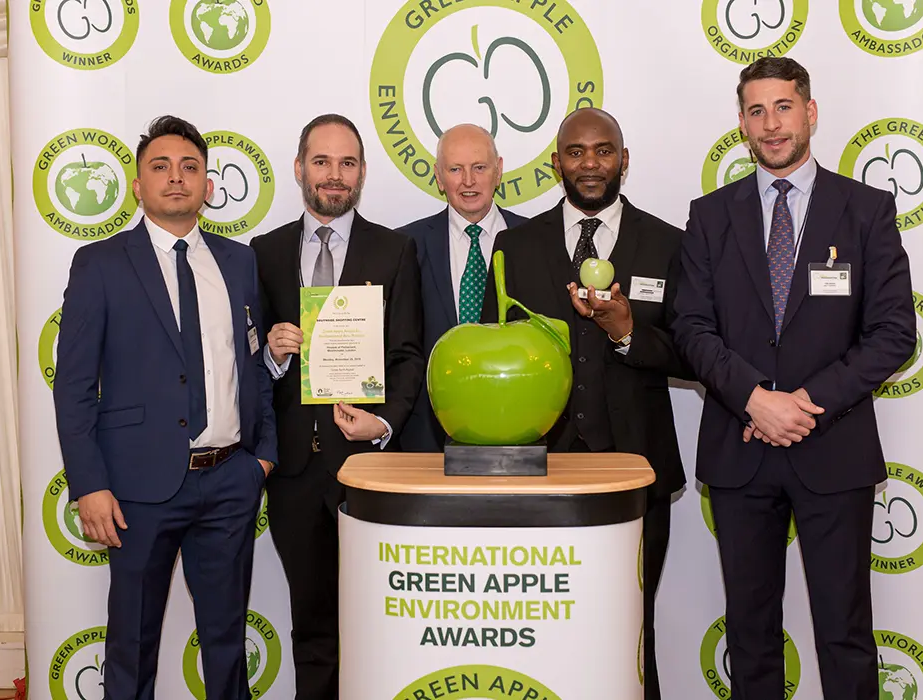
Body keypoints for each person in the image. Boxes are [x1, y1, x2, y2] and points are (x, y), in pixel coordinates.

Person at [673, 57, 915, 699]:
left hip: (833, 451)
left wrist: (803, 403)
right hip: (740, 452)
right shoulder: (709, 217)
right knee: (751, 641)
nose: (771, 124)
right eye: (756, 111)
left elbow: (894, 333)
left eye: (783, 107)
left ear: (810, 112)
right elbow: (692, 329)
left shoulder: (865, 210)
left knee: (845, 636)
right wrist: (754, 399)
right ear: (742, 124)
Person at [53, 115, 277, 700]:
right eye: (161, 167)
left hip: (230, 480)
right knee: (131, 644)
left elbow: (251, 364)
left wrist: (263, 459)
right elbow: (72, 385)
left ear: (208, 184)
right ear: (136, 183)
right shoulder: (99, 264)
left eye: (190, 168)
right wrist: (88, 485)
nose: (176, 178)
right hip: (134, 491)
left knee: (227, 642)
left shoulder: (238, 262)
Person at [480, 107, 690, 700]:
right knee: (542, 628)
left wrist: (627, 332)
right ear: (556, 164)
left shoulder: (670, 244)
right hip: (538, 471)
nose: (590, 164)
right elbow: (498, 347)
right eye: (576, 152)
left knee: (631, 624)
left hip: (638, 467)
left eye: (603, 151)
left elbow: (694, 354)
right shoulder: (513, 246)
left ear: (624, 160)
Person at [250, 113, 423, 700]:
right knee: (313, 626)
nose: (334, 174)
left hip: (368, 468)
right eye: (321, 161)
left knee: (378, 624)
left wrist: (384, 421)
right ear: (299, 168)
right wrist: (272, 357)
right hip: (296, 472)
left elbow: (408, 355)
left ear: (363, 173)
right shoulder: (264, 253)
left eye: (347, 163)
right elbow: (238, 363)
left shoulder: (396, 250)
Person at [398, 123, 526, 451]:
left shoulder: (536, 242)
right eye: (455, 169)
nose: (468, 181)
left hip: (518, 431)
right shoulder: (403, 247)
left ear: (498, 171)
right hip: (426, 440)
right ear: (439, 178)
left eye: (479, 168)